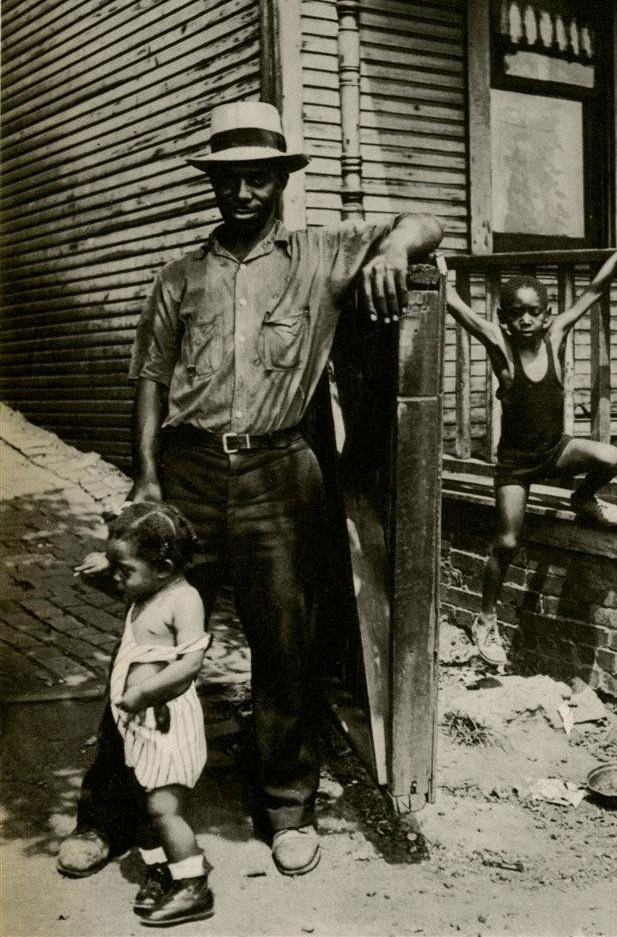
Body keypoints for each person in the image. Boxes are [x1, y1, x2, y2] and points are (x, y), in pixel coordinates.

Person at [57, 100, 443, 879]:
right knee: (148, 642)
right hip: (190, 471)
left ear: (280, 182)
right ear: (214, 184)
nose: (243, 194)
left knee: (286, 643)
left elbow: (424, 217)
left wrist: (397, 248)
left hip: (278, 470)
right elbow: (152, 381)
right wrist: (147, 475)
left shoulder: (322, 254)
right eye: (229, 180)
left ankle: (287, 808)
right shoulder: (179, 277)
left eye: (258, 179)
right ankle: (109, 812)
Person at [444, 237, 617, 666]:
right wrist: (438, 271)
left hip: (555, 451)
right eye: (516, 313)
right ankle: (485, 619)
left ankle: (583, 497)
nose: (525, 320)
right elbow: (460, 310)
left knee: (613, 457)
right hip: (516, 465)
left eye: (533, 311)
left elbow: (593, 291)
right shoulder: (501, 350)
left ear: (546, 314)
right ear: (504, 318)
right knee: (507, 540)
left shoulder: (555, 338)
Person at [70, 503, 213, 926]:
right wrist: (110, 563)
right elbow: (132, 583)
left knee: (164, 809)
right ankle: (163, 871)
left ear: (165, 566)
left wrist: (142, 693)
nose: (118, 578)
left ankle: (194, 885)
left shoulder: (184, 600)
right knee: (144, 804)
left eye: (124, 569)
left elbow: (189, 663)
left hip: (166, 724)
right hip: (141, 727)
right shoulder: (148, 587)